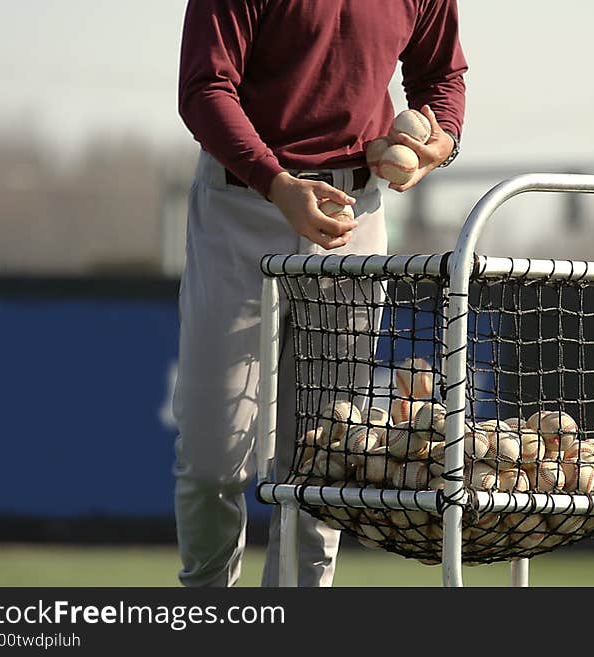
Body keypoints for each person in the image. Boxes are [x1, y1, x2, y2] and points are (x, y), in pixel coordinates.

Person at [173, 0, 468, 587]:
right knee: (212, 463)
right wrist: (275, 182)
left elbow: (442, 75)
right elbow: (204, 87)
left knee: (322, 460)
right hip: (243, 202)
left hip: (353, 214)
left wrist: (442, 138)